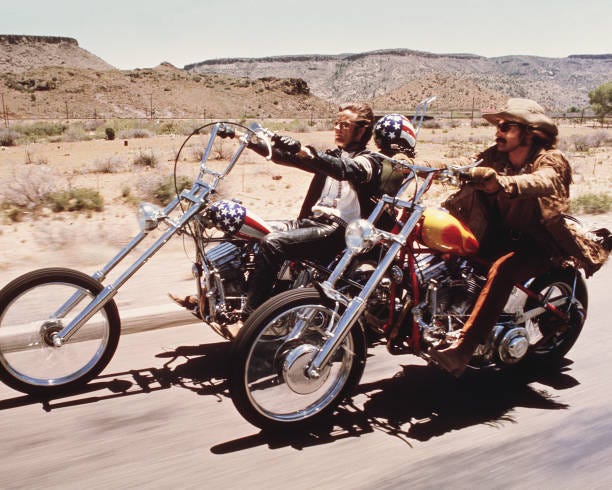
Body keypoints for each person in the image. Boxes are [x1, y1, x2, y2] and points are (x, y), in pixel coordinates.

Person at [427, 98, 609, 376]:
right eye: (499, 126)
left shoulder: (550, 159)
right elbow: (461, 164)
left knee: (503, 269)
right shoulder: (496, 156)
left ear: (528, 131)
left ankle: (462, 350)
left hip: (539, 242)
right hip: (499, 235)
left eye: (507, 126)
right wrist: (419, 164)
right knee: (448, 248)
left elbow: (545, 180)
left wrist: (502, 182)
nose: (498, 132)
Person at [172, 102, 386, 338]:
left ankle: (250, 321)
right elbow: (284, 157)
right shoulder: (333, 155)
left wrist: (306, 151)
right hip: (312, 222)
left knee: (272, 243)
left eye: (345, 125)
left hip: (338, 230)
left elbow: (344, 169)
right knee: (247, 231)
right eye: (336, 123)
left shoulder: (371, 162)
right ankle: (218, 299)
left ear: (362, 129)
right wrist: (241, 136)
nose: (337, 128)